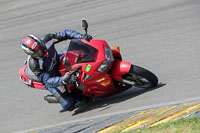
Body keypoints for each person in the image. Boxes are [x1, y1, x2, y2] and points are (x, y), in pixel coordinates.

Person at [20, 29, 92, 111]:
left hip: (58, 59)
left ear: (40, 42)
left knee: (82, 51)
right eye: (37, 52)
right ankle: (66, 96)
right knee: (68, 104)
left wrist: (81, 36)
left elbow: (65, 34)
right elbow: (47, 81)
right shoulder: (34, 64)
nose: (41, 51)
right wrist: (63, 80)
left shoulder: (48, 39)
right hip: (53, 78)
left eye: (40, 47)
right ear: (30, 54)